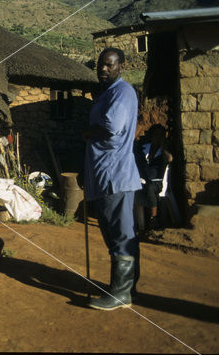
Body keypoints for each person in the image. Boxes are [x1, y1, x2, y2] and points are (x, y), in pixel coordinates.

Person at [82, 47, 142, 311]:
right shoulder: (107, 93)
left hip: (115, 174)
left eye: (109, 65)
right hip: (105, 175)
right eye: (100, 65)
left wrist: (87, 133)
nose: (103, 69)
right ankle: (126, 289)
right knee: (116, 233)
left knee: (120, 234)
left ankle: (121, 294)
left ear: (121, 67)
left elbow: (111, 127)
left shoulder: (122, 92)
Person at [134, 124, 173, 233]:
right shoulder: (144, 148)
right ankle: (139, 225)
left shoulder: (164, 151)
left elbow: (170, 159)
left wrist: (163, 146)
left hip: (157, 182)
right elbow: (131, 146)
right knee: (137, 187)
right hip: (144, 179)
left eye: (160, 136)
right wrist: (140, 128)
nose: (157, 138)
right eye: (155, 135)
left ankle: (153, 219)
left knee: (150, 188)